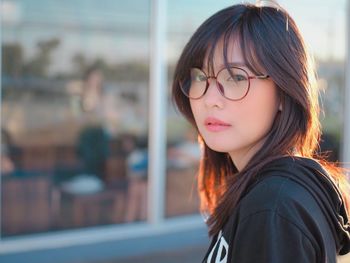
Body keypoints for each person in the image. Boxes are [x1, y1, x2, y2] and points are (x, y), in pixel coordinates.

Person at [172, 2, 350, 262]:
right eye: (200, 77)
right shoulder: (272, 194)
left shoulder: (273, 207)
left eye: (236, 77)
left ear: (284, 91)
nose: (210, 98)